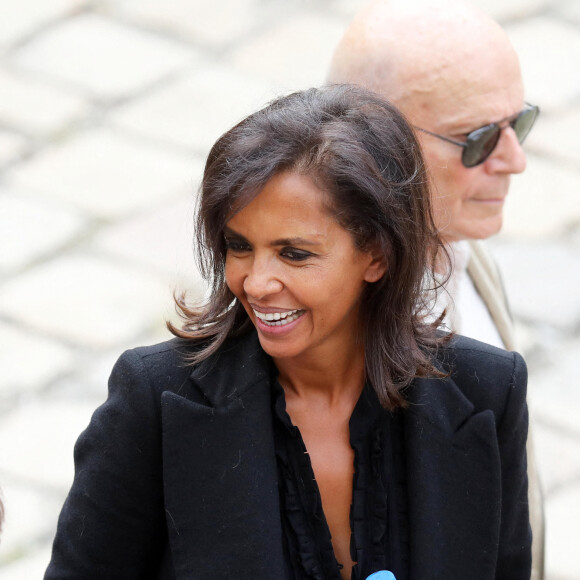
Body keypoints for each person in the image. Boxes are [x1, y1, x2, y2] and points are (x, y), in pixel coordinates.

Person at [45, 85, 531, 580]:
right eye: (238, 246)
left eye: (295, 254)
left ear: (378, 255)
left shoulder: (490, 392)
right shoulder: (154, 401)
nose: (255, 283)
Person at [328, 0, 544, 577]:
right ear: (372, 147)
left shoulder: (464, 253)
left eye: (518, 123)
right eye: (477, 139)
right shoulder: (323, 335)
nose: (514, 160)